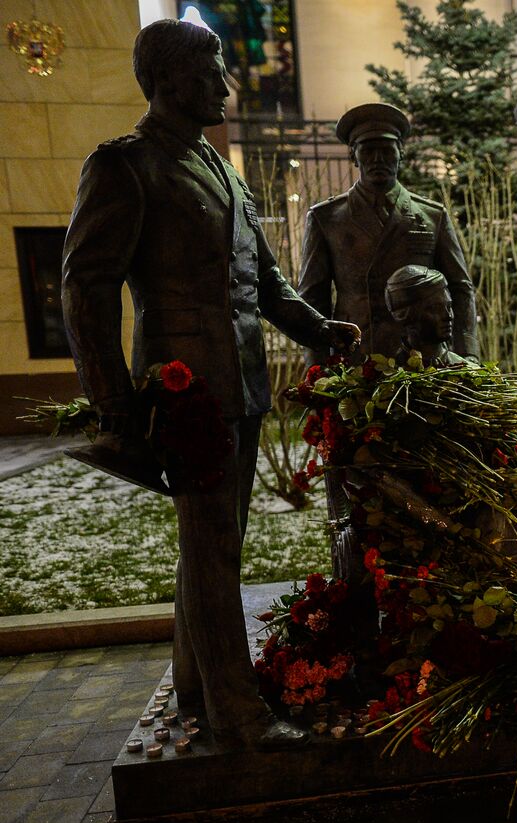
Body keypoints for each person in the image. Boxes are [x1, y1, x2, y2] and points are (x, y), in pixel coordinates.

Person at [61, 18, 361, 750]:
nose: (226, 86)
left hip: (241, 386)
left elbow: (267, 285)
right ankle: (238, 712)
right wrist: (114, 402)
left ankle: (195, 678)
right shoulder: (125, 167)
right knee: (213, 546)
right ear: (168, 81)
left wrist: (323, 331)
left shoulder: (220, 169)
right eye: (213, 72)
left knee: (215, 542)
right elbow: (85, 287)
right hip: (183, 391)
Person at [298, 102, 478, 361]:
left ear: (401, 153)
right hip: (357, 356)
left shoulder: (432, 215)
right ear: (353, 156)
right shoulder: (327, 218)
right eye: (368, 150)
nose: (377, 160)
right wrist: (316, 365)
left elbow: (460, 288)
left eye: (386, 150)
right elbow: (313, 298)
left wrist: (468, 353)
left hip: (420, 358)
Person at [385, 265, 470, 367]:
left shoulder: (469, 372)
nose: (448, 316)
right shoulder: (385, 375)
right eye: (435, 309)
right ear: (406, 316)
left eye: (449, 306)